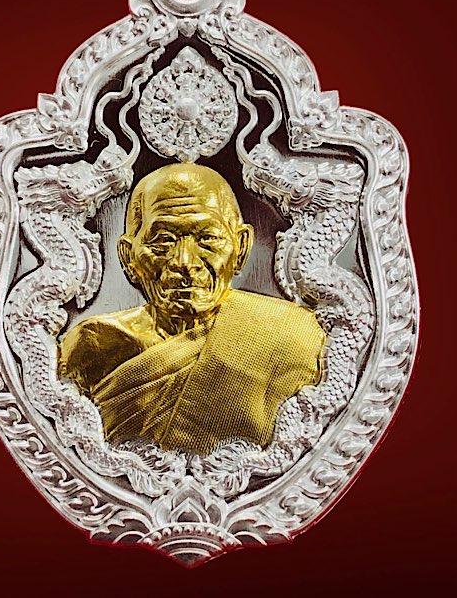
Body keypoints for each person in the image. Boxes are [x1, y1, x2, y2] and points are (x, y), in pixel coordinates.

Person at [59, 163, 325, 455]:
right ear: (128, 257)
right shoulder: (93, 345)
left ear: (241, 248)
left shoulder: (294, 337)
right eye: (163, 240)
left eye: (207, 239)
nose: (184, 262)